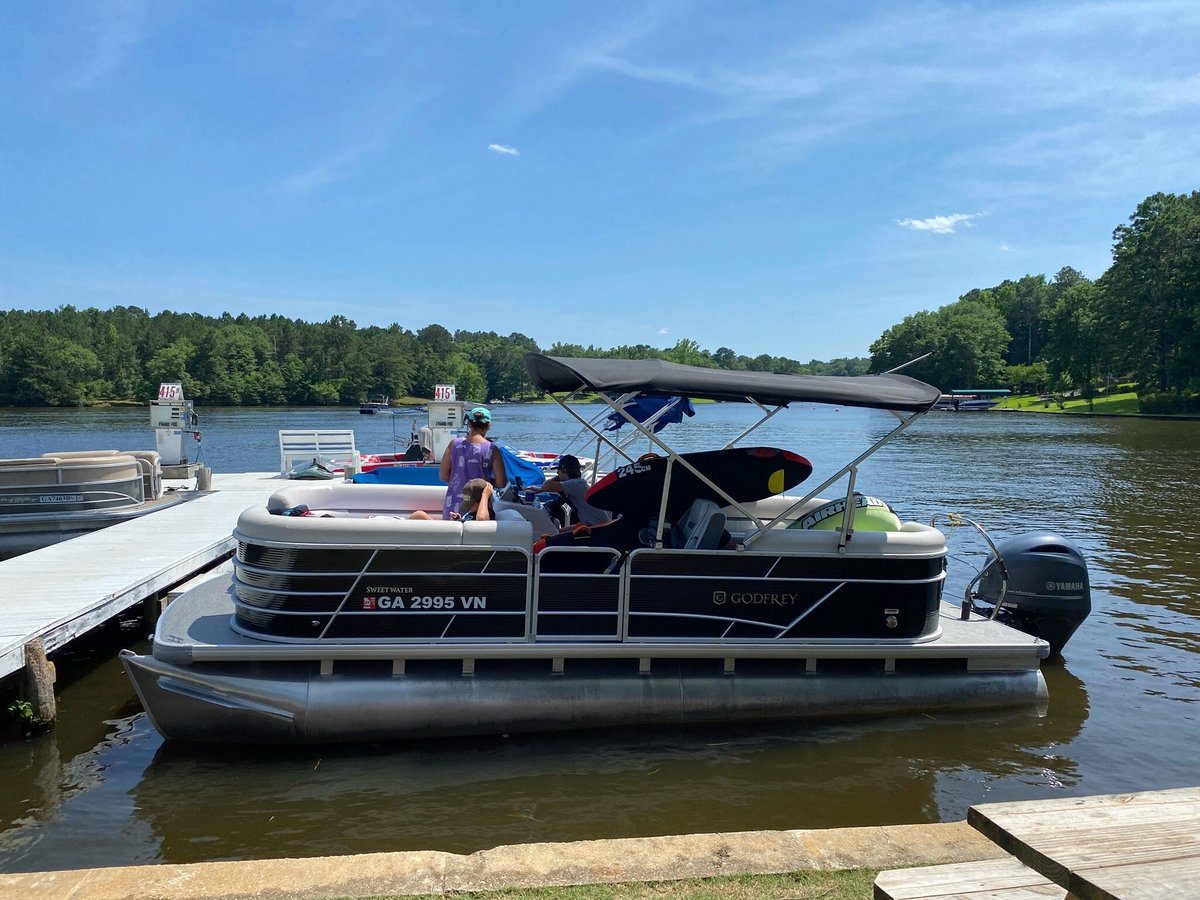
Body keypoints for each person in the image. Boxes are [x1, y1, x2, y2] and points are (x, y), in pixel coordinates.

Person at [439, 405, 507, 520]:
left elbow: (443, 476)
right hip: (479, 507)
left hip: (454, 505)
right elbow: (501, 483)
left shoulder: (454, 444)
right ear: (489, 426)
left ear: (469, 424)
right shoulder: (492, 449)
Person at [537, 454, 610, 527]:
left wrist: (558, 477)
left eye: (558, 470)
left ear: (564, 470)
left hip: (598, 529)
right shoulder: (577, 484)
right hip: (595, 526)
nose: (557, 473)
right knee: (557, 533)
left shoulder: (574, 484)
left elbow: (546, 486)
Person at [453, 478, 523, 522]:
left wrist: (485, 495)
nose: (469, 507)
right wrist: (459, 520)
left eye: (471, 504)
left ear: (481, 501)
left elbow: (482, 522)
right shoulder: (470, 513)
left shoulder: (487, 514)